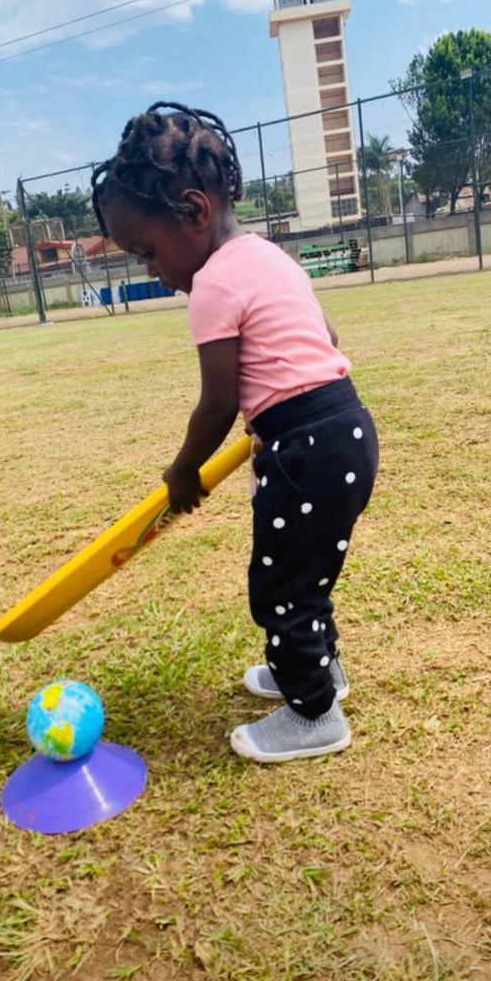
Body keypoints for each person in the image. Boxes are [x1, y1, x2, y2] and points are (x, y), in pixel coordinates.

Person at [92, 102, 378, 763]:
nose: (150, 270)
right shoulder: (267, 257)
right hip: (344, 429)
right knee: (306, 575)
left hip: (306, 447)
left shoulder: (213, 282)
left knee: (280, 585)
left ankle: (313, 717)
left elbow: (218, 401)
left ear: (193, 211)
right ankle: (315, 673)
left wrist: (181, 471)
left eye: (146, 251)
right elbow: (324, 339)